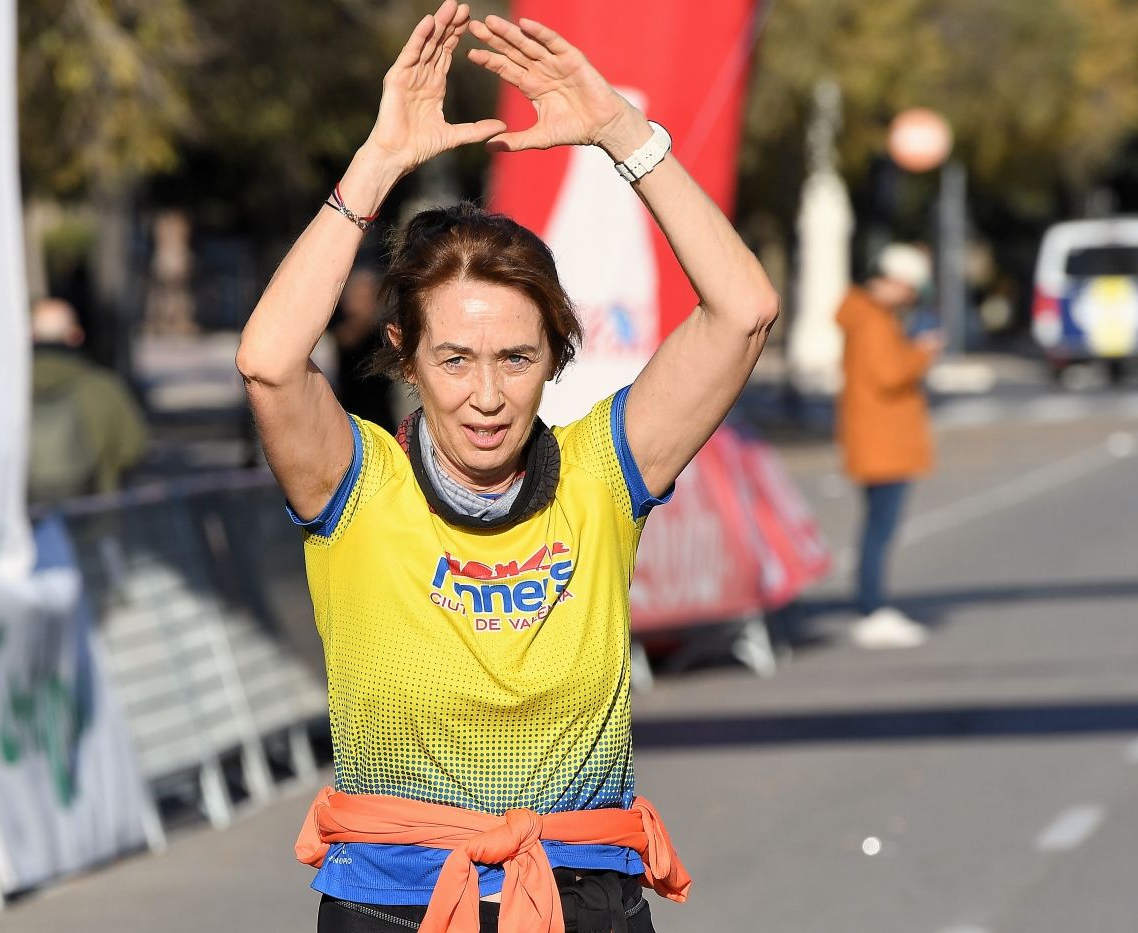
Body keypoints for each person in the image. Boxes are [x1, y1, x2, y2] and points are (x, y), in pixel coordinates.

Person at [236, 4, 778, 930]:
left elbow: (743, 312)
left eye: (515, 359)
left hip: (584, 896)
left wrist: (622, 132)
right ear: (406, 358)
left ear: (556, 357)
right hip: (395, 905)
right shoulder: (356, 483)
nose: (485, 394)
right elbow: (270, 361)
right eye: (455, 360)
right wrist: (377, 164)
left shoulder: (604, 471)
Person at [835, 244, 943, 649]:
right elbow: (889, 374)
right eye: (910, 288)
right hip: (882, 441)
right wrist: (922, 353)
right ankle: (871, 607)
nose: (912, 296)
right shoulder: (872, 320)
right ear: (895, 282)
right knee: (879, 529)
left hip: (877, 438)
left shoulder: (868, 315)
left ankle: (872, 605)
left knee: (876, 526)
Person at [28, 297, 148, 503]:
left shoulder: (3, 394)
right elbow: (132, 449)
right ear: (76, 336)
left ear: (31, 337)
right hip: (91, 518)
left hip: (24, 522)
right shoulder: (103, 389)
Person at [330, 265, 398, 432]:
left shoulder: (383, 333)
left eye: (367, 296)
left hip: (382, 418)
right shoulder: (340, 331)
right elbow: (346, 339)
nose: (363, 302)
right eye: (359, 296)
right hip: (349, 418)